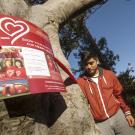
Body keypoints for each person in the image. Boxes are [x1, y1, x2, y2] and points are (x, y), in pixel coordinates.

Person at [77, 50, 135, 135]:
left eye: (91, 63)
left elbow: (119, 94)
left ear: (97, 61)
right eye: (86, 64)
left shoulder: (109, 74)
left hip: (118, 116)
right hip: (100, 124)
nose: (89, 67)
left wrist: (127, 113)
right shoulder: (80, 82)